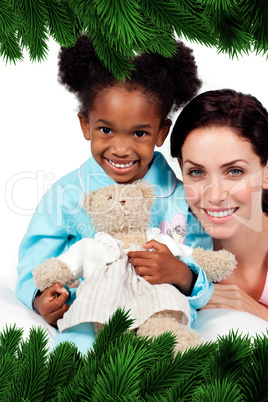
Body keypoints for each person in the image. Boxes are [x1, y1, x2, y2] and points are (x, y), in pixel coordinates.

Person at [16, 35, 213, 353]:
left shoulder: (178, 195)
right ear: (86, 125)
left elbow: (201, 261)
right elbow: (35, 264)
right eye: (106, 130)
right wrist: (40, 299)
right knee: (71, 364)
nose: (121, 149)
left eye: (139, 133)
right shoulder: (67, 194)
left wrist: (182, 274)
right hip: (89, 315)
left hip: (157, 313)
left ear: (161, 132)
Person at [171, 88, 268, 322]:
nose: (215, 195)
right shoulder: (171, 251)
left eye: (235, 171)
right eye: (196, 172)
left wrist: (260, 316)